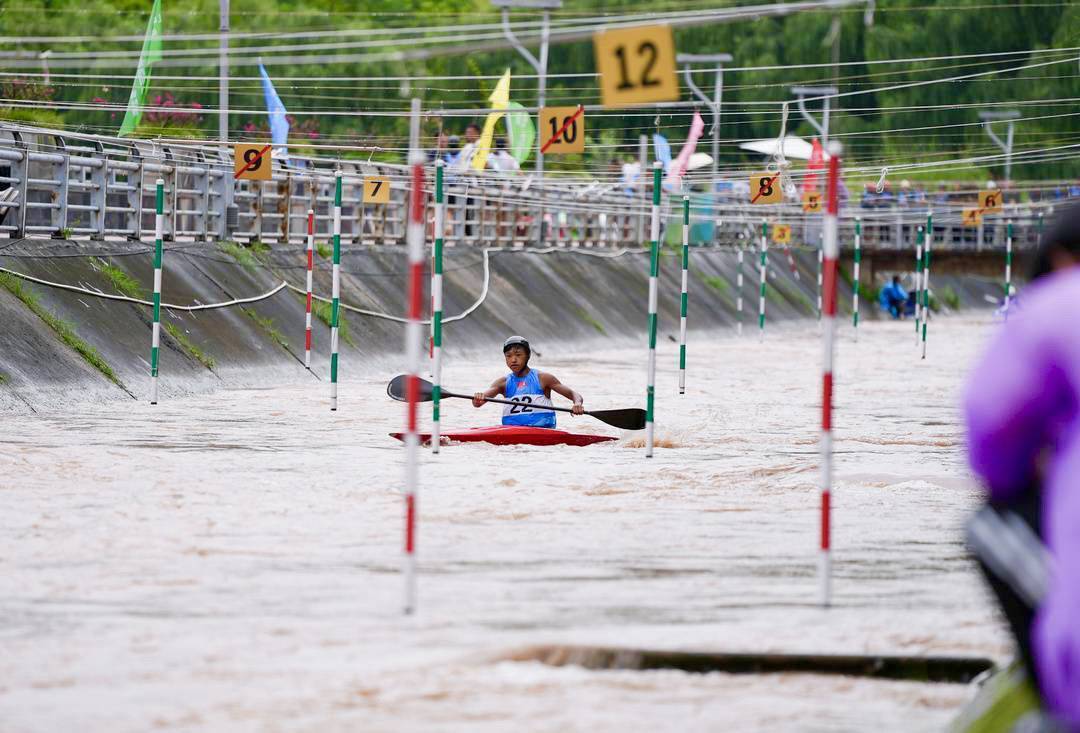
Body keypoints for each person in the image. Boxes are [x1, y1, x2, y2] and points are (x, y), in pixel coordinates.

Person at [963, 201, 1080, 728]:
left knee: (990, 523)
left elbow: (990, 439)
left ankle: (1053, 695)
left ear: (1058, 258)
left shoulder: (1050, 308)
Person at [472, 336, 584, 428]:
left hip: (543, 431)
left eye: (518, 355)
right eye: (508, 356)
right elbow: (478, 403)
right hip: (512, 433)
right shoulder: (502, 383)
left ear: (528, 356)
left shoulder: (543, 378)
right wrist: (478, 398)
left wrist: (577, 404)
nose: (513, 360)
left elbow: (575, 395)